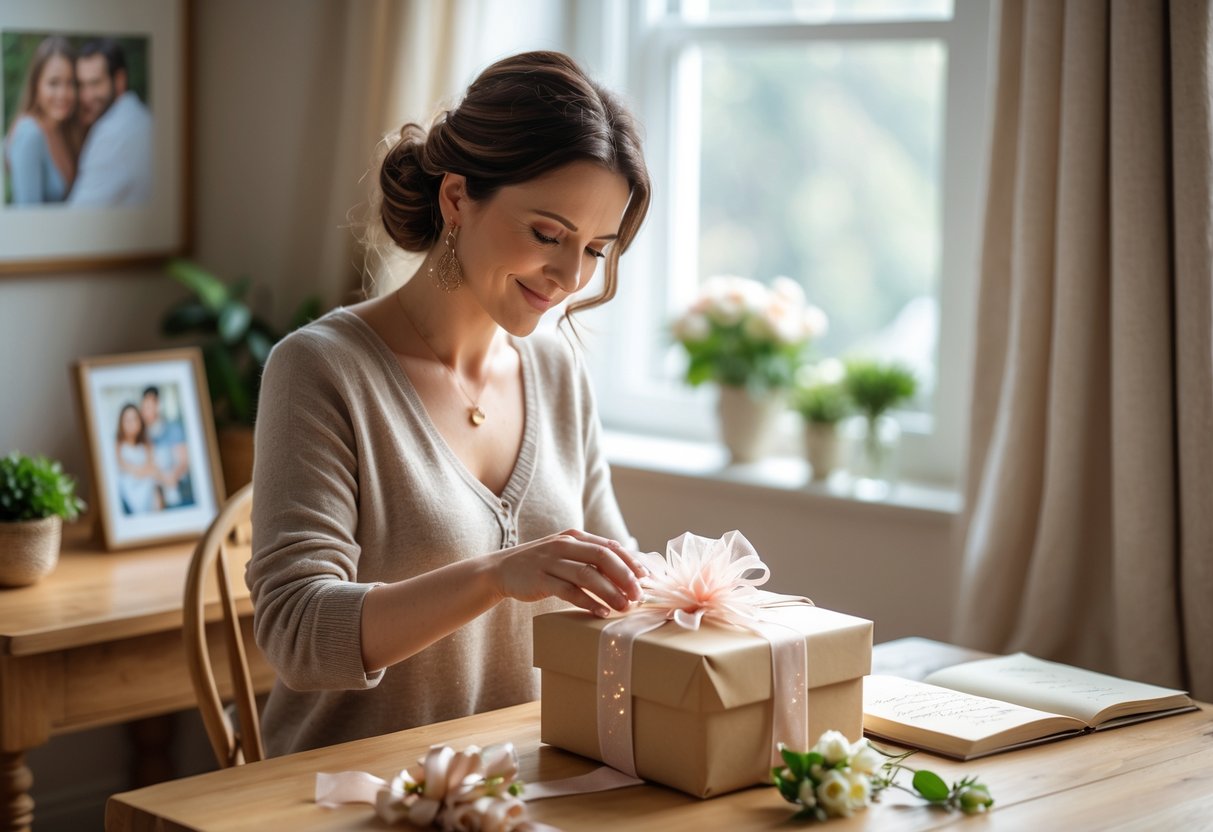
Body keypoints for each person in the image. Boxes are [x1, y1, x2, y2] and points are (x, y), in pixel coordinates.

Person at [247, 50, 653, 757]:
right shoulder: (320, 369)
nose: (568, 277)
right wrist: (496, 576)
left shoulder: (557, 373)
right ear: (458, 197)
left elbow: (614, 570)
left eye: (594, 248)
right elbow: (297, 634)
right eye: (547, 235)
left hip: (521, 790)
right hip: (352, 798)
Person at [68, 38, 152, 206]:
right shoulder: (140, 116)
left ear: (119, 80)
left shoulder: (112, 133)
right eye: (81, 85)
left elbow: (78, 217)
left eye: (95, 83)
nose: (86, 96)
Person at [4, 36, 82, 204]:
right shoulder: (29, 134)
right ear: (36, 84)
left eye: (70, 83)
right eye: (54, 83)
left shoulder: (64, 130)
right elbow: (28, 218)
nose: (63, 94)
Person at [140, 386, 193, 509]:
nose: (145, 412)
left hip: (179, 489)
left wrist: (170, 477)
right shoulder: (142, 434)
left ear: (158, 405)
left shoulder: (173, 429)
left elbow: (184, 461)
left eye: (149, 407)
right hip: (155, 492)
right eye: (143, 407)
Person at [115, 403, 161, 515]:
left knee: (155, 489)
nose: (132, 424)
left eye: (135, 419)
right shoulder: (118, 445)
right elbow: (125, 467)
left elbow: (153, 467)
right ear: (121, 423)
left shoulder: (146, 444)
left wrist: (144, 472)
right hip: (130, 491)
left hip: (148, 488)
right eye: (128, 420)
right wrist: (143, 471)